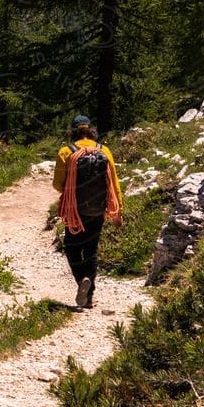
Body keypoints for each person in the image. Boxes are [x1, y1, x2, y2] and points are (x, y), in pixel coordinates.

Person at [52, 114, 123, 309]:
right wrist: (118, 211)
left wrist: (71, 186)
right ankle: (89, 298)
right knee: (91, 250)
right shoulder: (104, 151)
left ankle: (82, 279)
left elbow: (57, 185)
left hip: (75, 211)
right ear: (91, 130)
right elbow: (113, 184)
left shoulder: (66, 152)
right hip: (98, 210)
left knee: (72, 247)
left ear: (73, 131)